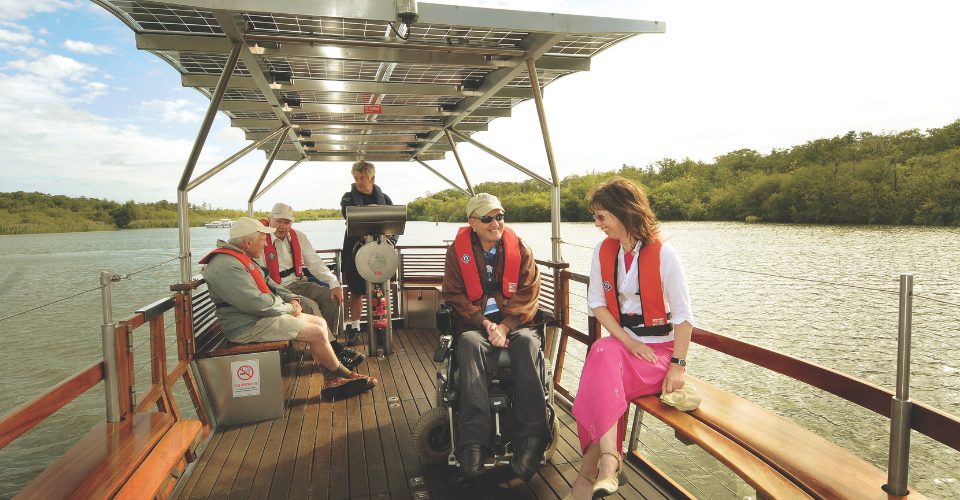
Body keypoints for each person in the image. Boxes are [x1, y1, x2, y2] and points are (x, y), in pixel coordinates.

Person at [567, 177, 694, 499]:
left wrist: (677, 366)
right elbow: (596, 302)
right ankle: (608, 464)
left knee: (601, 366)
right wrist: (629, 342)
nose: (597, 224)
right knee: (605, 353)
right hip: (625, 348)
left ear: (624, 212)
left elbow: (683, 317)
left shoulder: (665, 255)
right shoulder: (603, 250)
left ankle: (592, 476)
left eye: (601, 216)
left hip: (658, 354)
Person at [200, 217, 377, 400]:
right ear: (248, 242)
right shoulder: (227, 266)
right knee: (315, 332)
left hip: (255, 318)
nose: (264, 245)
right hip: (245, 326)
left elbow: (271, 285)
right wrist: (289, 309)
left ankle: (333, 379)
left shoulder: (241, 258)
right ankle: (340, 376)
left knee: (320, 322)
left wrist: (291, 298)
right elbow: (257, 303)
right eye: (262, 240)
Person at [442, 193, 549, 481]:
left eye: (499, 216)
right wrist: (485, 323)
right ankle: (473, 441)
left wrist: (505, 326)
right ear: (472, 223)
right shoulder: (457, 253)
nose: (495, 223)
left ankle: (532, 438)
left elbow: (529, 291)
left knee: (527, 343)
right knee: (467, 344)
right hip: (475, 325)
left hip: (517, 323)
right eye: (487, 218)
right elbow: (453, 294)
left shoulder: (520, 248)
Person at [258, 203, 365, 370]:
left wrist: (334, 283)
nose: (282, 226)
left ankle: (324, 347)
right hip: (278, 289)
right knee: (310, 305)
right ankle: (335, 350)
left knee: (331, 298)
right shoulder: (261, 239)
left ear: (292, 223)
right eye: (278, 221)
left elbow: (315, 263)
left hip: (300, 282)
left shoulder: (298, 237)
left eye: (287, 222)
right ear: (270, 220)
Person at [340, 160, 395, 345]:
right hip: (355, 252)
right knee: (355, 292)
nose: (358, 182)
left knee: (380, 291)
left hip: (379, 252)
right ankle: (354, 328)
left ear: (372, 178)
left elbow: (393, 226)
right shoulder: (348, 198)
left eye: (362, 178)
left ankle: (381, 326)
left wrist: (391, 242)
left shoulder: (385, 199)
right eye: (355, 178)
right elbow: (348, 217)